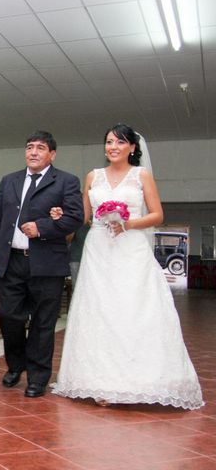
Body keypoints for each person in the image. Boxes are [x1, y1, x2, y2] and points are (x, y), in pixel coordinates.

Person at [52, 124, 203, 409]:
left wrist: (128, 223)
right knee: (99, 310)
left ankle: (137, 381)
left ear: (132, 148)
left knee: (132, 309)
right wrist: (64, 214)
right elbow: (84, 215)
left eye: (120, 143)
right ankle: (98, 381)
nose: (113, 147)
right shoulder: (93, 176)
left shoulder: (141, 175)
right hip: (98, 249)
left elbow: (157, 214)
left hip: (130, 248)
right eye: (109, 142)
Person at [0, 130, 83, 398]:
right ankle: (16, 364)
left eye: (40, 147)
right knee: (8, 316)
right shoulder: (9, 181)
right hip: (12, 260)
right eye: (30, 147)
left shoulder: (66, 182)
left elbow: (75, 217)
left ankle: (38, 378)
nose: (34, 152)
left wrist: (42, 227)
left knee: (42, 323)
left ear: (52, 154)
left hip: (47, 264)